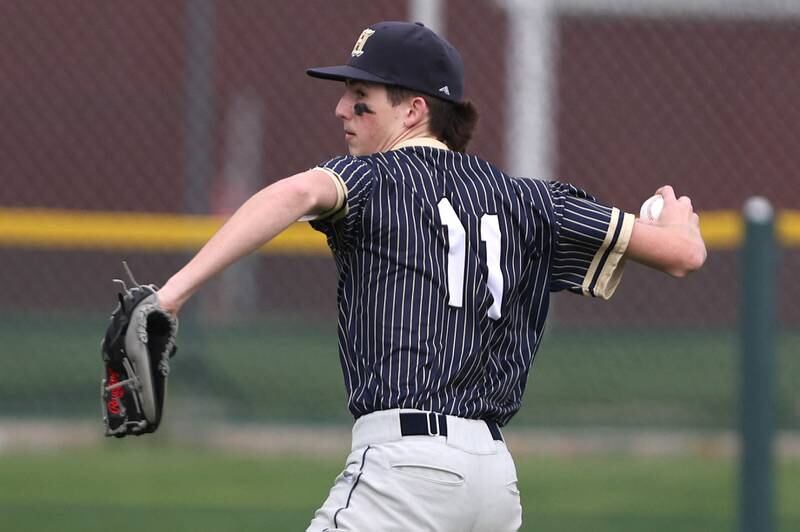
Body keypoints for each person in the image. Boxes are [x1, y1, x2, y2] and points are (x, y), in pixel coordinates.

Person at [156, 20, 706, 532]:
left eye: (362, 99)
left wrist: (170, 296)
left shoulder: (372, 178)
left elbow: (298, 193)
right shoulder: (532, 201)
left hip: (406, 469)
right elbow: (684, 255)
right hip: (494, 483)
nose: (341, 109)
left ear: (414, 110)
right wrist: (679, 222)